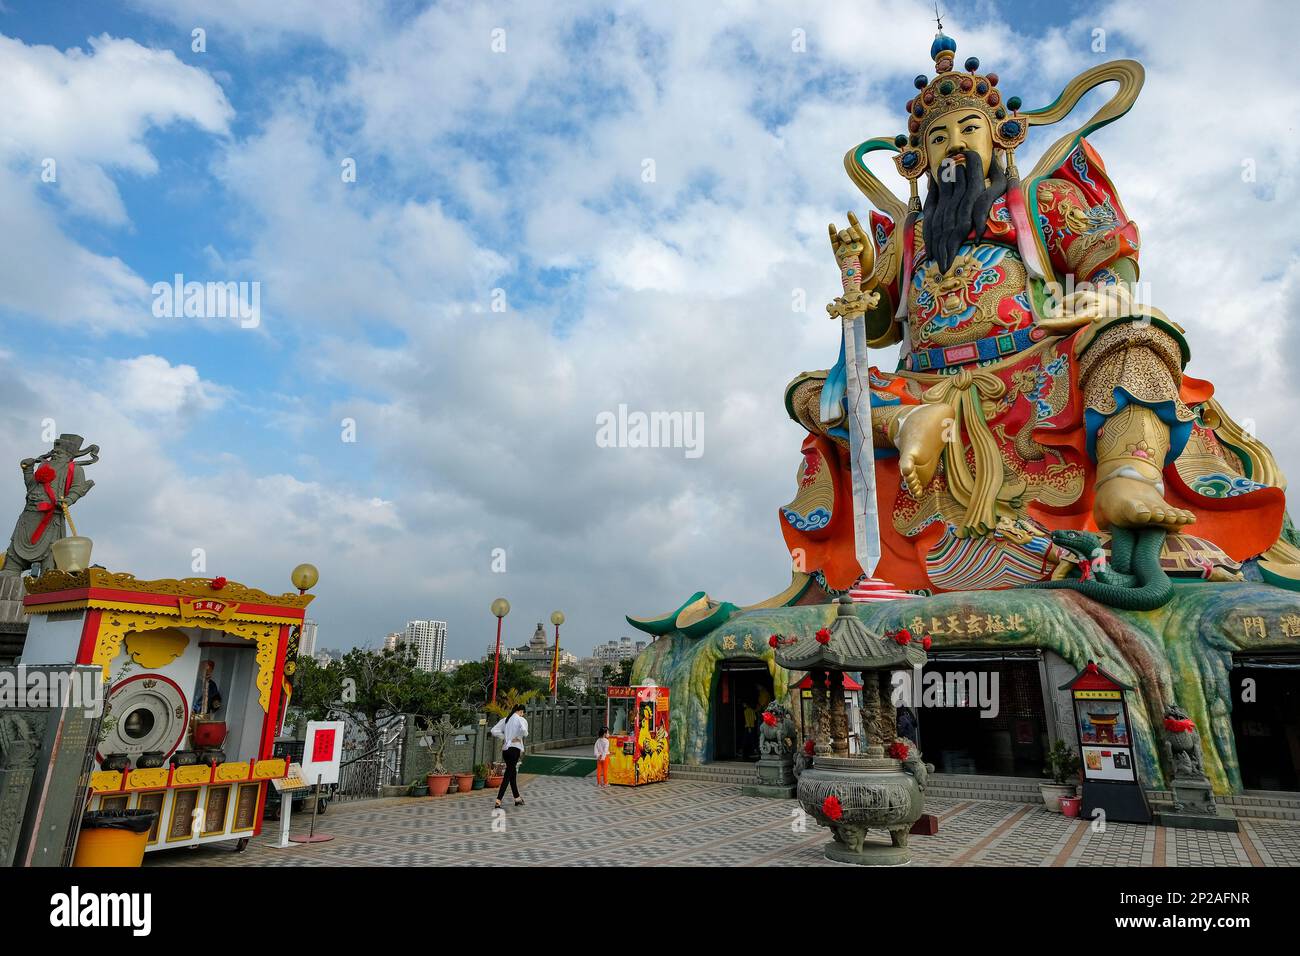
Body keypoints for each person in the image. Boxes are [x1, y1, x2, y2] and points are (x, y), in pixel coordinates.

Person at [491, 703, 528, 809]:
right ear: (521, 711)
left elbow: (493, 730)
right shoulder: (521, 720)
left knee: (512, 773)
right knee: (508, 774)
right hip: (514, 750)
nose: (522, 715)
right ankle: (498, 799)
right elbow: (525, 732)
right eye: (523, 713)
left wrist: (506, 738)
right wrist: (518, 737)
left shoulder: (506, 719)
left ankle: (517, 798)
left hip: (506, 750)